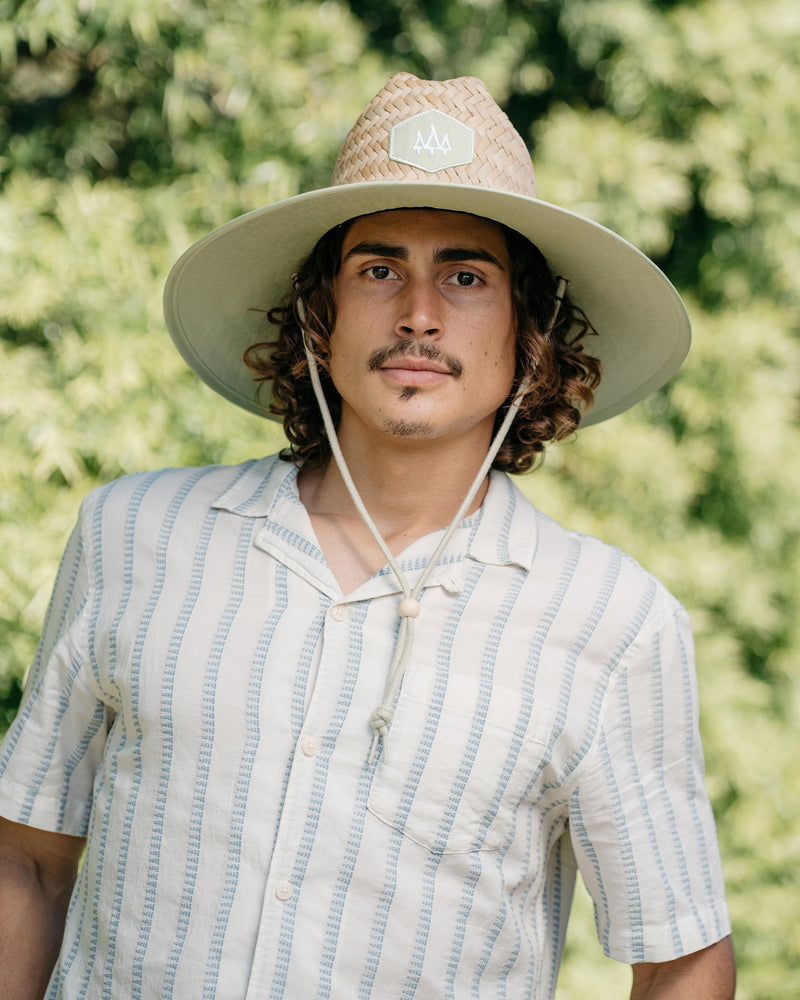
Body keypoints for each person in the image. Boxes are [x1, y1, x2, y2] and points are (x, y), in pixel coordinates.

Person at [0, 73, 734, 998]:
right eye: (378, 269)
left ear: (529, 331)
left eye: (466, 276)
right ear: (322, 316)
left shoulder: (613, 622)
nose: (419, 314)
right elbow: (24, 859)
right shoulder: (132, 533)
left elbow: (683, 956)